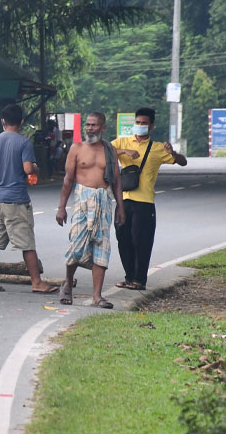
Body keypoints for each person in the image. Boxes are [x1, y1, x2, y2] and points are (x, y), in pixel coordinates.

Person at [0, 103, 60, 293]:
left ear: (2, 121)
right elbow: (28, 169)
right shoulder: (24, 142)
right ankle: (37, 283)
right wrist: (36, 168)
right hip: (16, 199)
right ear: (21, 122)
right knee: (27, 242)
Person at [111, 107, 187, 291]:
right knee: (123, 239)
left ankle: (139, 280)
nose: (140, 126)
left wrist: (174, 153)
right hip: (123, 200)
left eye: (144, 123)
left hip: (144, 202)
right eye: (137, 122)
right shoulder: (122, 141)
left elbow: (183, 162)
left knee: (141, 241)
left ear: (151, 126)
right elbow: (102, 152)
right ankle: (129, 277)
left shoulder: (158, 148)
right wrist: (124, 151)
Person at [55, 112, 125, 308]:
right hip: (82, 202)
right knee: (76, 247)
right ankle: (68, 284)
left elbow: (117, 180)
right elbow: (68, 180)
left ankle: (97, 297)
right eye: (87, 125)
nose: (89, 128)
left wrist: (120, 207)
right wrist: (61, 207)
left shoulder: (109, 150)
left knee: (102, 248)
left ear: (102, 127)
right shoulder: (76, 149)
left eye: (94, 125)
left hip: (104, 201)